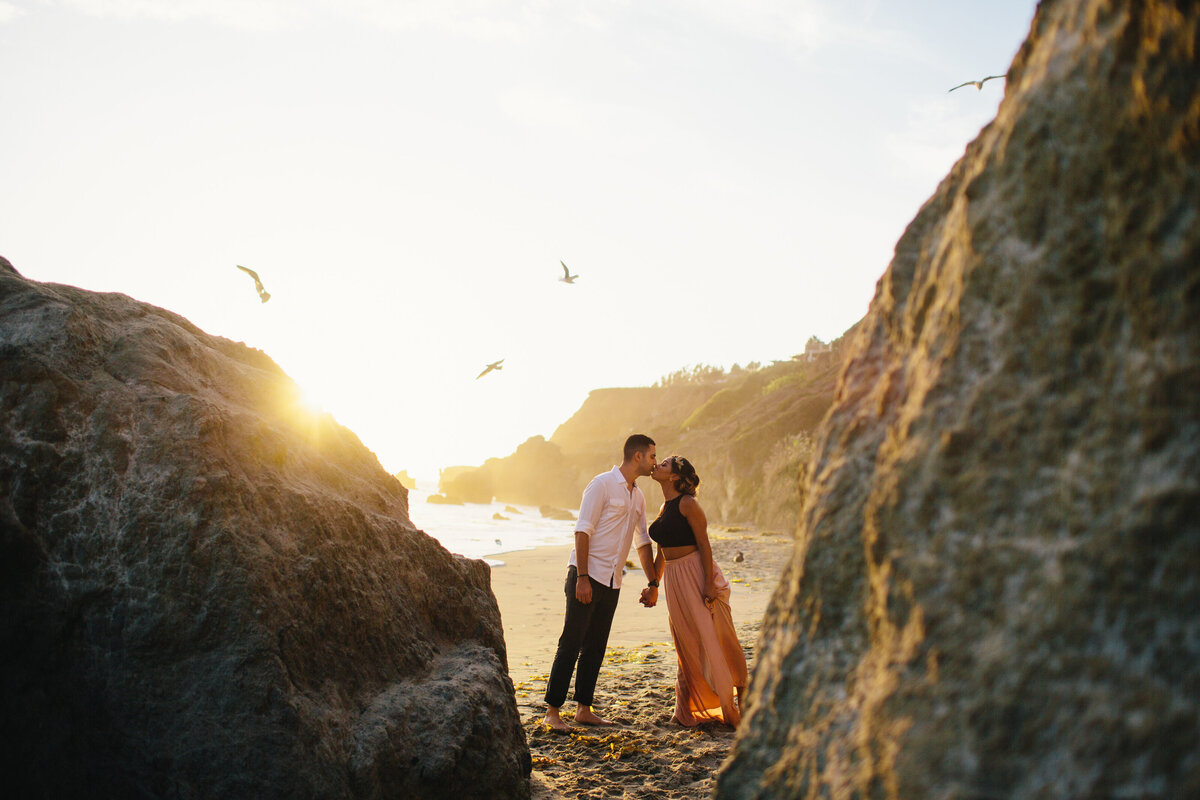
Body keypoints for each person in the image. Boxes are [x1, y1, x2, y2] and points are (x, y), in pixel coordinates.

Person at [542, 434, 660, 731]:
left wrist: (653, 581)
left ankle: (584, 709)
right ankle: (552, 712)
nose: (655, 462)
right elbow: (582, 531)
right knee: (571, 643)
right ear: (637, 456)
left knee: (595, 646)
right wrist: (582, 577)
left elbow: (642, 541)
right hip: (587, 575)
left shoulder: (639, 496)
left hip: (612, 581)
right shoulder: (601, 485)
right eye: (652, 457)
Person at [640, 455, 747, 727]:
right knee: (684, 641)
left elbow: (704, 544)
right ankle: (684, 709)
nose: (658, 465)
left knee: (711, 640)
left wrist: (709, 583)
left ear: (674, 476)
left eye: (664, 464)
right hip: (674, 580)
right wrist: (654, 584)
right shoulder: (664, 506)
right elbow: (662, 551)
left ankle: (731, 704)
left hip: (695, 574)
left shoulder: (688, 504)